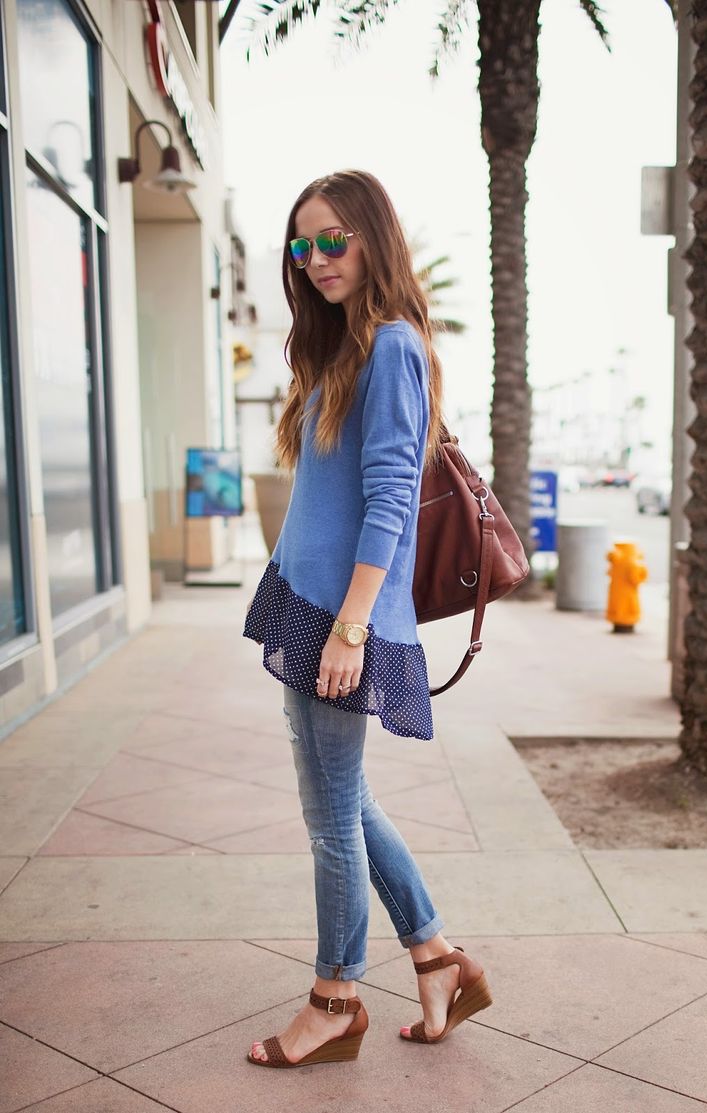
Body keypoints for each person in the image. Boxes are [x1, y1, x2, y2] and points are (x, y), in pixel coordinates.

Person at [242, 170, 492, 1069]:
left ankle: (335, 996)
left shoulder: (390, 347)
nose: (314, 259)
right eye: (302, 244)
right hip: (311, 605)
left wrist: (350, 628)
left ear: (373, 240)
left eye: (333, 240)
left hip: (340, 620)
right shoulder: (341, 349)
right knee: (346, 803)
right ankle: (437, 960)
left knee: (330, 818)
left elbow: (390, 501)